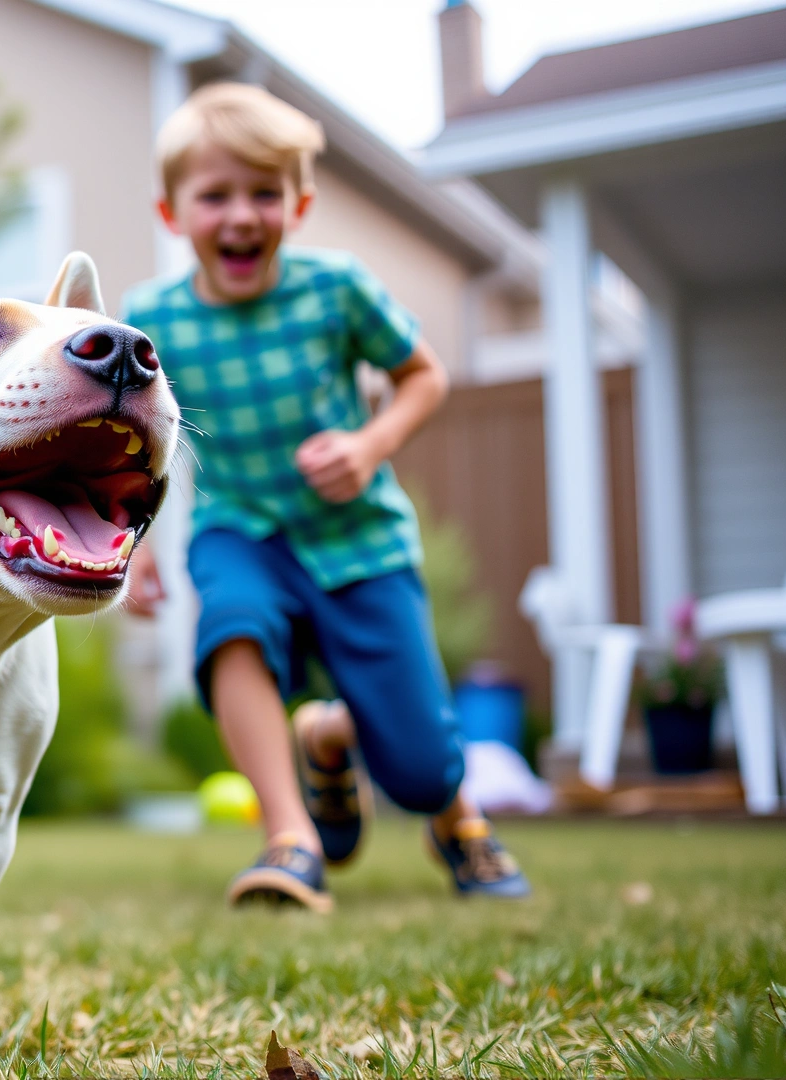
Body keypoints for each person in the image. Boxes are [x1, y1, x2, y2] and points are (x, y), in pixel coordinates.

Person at [118, 83, 528, 911]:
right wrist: (134, 542)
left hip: (358, 537)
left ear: (298, 205)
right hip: (242, 528)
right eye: (216, 196)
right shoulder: (153, 319)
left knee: (417, 765)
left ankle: (424, 793)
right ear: (172, 213)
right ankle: (290, 839)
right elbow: (142, 438)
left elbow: (424, 375)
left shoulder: (335, 288)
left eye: (264, 194)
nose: (241, 216)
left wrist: (369, 443)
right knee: (230, 628)